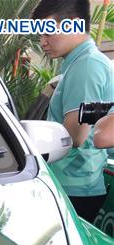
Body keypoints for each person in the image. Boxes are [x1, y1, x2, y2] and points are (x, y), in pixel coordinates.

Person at [34, 0, 114, 222]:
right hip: (74, 183)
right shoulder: (80, 63)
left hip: (74, 188)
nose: (43, 42)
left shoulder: (87, 65)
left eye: (48, 33)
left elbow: (77, 135)